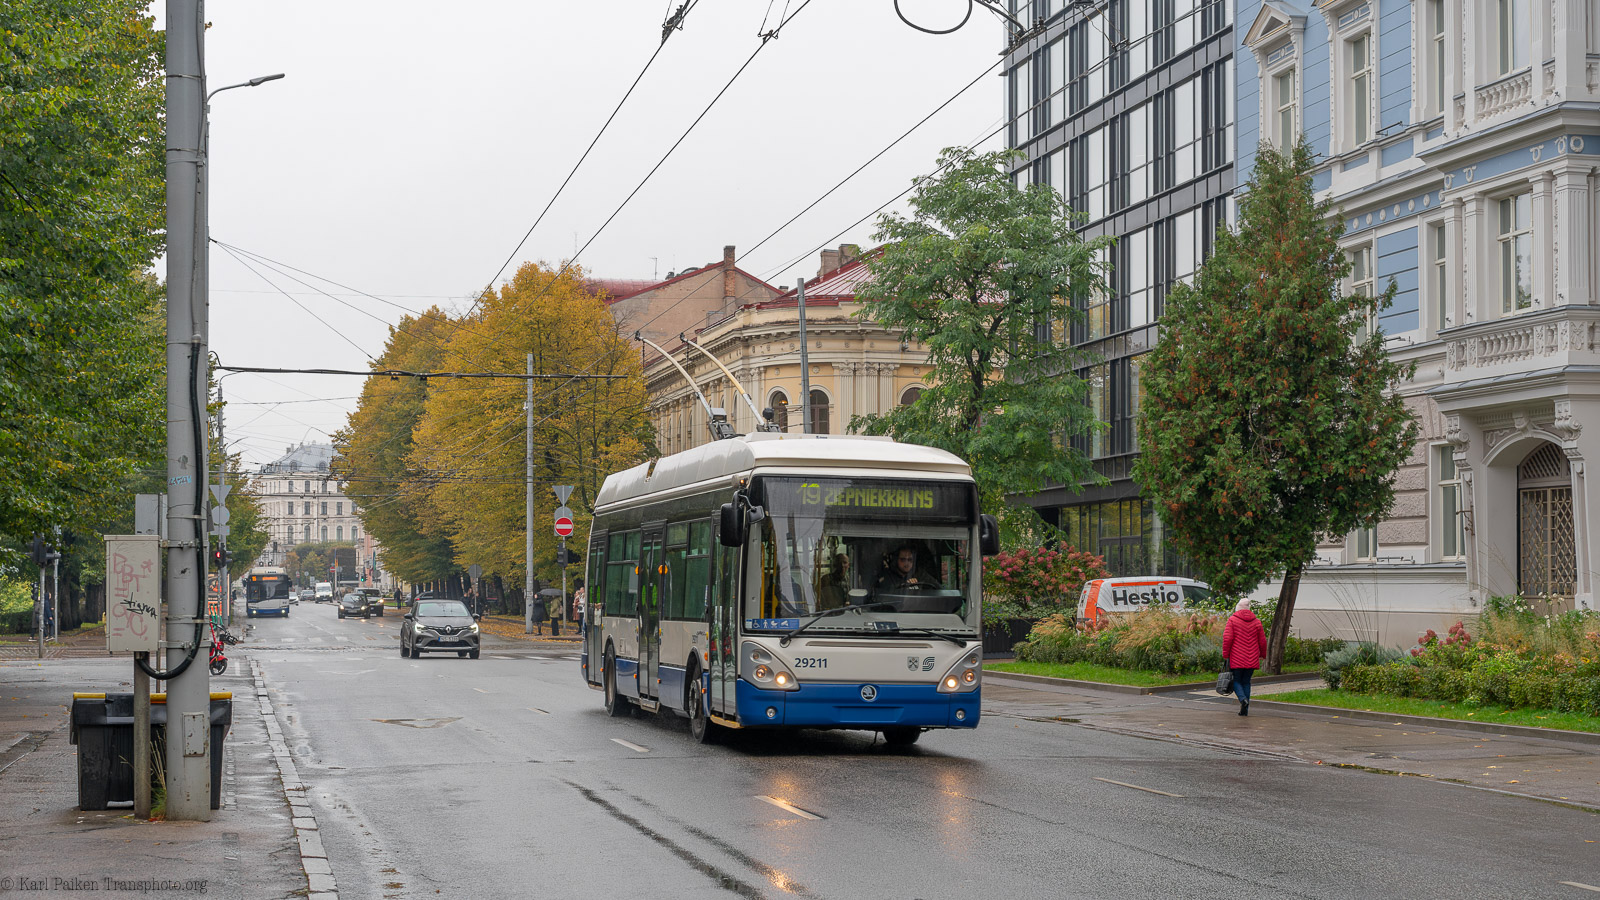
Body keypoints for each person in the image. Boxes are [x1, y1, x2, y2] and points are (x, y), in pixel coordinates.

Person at [1222, 598, 1268, 716]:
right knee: (1246, 682)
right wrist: (1263, 654)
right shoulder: (1257, 622)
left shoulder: (1232, 620)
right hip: (1252, 658)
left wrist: (1225, 654)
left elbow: (1227, 639)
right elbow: (1262, 641)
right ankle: (1245, 710)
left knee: (1236, 680)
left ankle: (1243, 700)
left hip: (1236, 658)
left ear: (1237, 609)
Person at [876, 545, 940, 592]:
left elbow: (938, 589)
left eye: (910, 559)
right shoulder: (887, 577)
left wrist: (919, 586)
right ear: (896, 560)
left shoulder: (921, 575)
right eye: (903, 560)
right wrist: (906, 586)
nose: (907, 563)